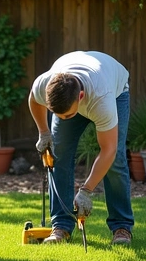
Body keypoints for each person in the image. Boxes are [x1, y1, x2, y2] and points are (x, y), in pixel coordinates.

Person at [28, 50, 133, 246]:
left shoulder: (103, 100)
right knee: (58, 155)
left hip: (115, 88)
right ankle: (61, 226)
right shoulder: (45, 83)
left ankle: (122, 227)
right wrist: (44, 132)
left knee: (116, 159)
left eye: (66, 115)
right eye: (56, 114)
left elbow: (107, 150)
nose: (62, 118)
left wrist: (86, 191)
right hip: (77, 84)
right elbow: (34, 99)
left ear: (81, 97)